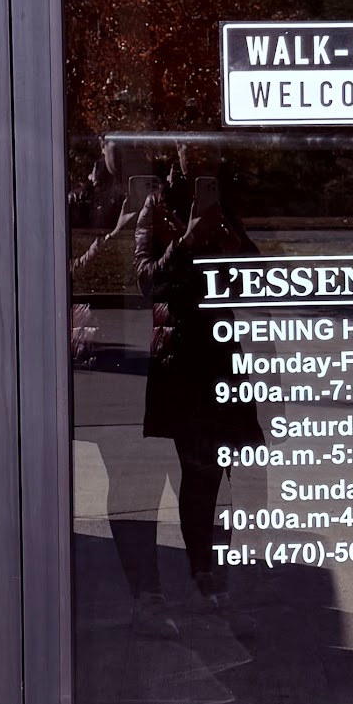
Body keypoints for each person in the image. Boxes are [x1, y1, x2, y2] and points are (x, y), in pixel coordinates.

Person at [132, 153, 260, 605]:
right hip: (181, 358)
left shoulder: (220, 205)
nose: (200, 156)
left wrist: (223, 231)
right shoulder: (156, 206)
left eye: (207, 148)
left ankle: (218, 569)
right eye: (191, 146)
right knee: (198, 468)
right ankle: (202, 571)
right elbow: (147, 281)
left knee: (233, 468)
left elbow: (253, 276)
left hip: (222, 353)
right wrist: (184, 242)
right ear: (178, 153)